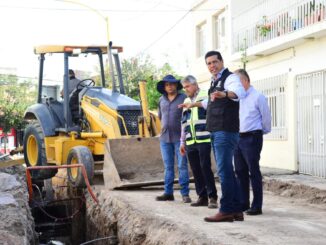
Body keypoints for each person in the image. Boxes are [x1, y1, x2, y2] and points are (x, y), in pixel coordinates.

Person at [182, 51, 246, 222]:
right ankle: (237, 209)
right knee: (228, 172)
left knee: (224, 172)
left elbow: (239, 92)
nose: (212, 66)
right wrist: (192, 105)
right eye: (208, 63)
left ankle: (225, 210)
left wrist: (224, 94)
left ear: (222, 61)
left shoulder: (230, 78)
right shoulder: (214, 81)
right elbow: (208, 102)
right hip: (217, 131)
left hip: (225, 131)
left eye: (214, 62)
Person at [234, 69, 271, 215]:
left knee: (253, 171)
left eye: (237, 83)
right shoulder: (237, 98)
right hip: (237, 137)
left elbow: (266, 118)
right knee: (240, 171)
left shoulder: (258, 97)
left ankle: (257, 206)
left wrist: (262, 132)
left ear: (245, 81)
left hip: (252, 137)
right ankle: (244, 203)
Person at [178, 75, 218, 209]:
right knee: (195, 169)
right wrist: (182, 142)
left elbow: (211, 109)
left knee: (205, 167)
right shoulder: (185, 100)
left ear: (195, 84)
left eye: (187, 86)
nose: (186, 90)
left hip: (204, 138)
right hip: (190, 141)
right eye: (184, 88)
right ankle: (202, 197)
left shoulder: (205, 94)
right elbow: (183, 123)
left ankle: (212, 197)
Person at [155, 74, 191, 203]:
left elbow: (188, 117)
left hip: (180, 138)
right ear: (164, 87)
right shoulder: (161, 100)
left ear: (176, 85)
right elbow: (160, 117)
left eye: (172, 84)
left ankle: (185, 194)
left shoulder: (184, 98)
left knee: (182, 165)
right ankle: (168, 193)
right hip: (164, 138)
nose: (170, 86)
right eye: (167, 84)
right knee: (168, 167)